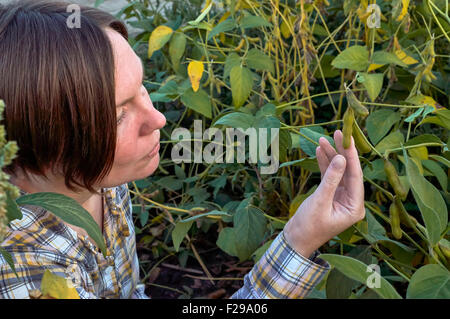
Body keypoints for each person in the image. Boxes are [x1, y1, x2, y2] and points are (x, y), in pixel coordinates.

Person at [0, 0, 365, 299]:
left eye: (142, 88)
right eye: (117, 117)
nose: (158, 119)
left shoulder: (99, 176)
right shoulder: (27, 276)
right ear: (44, 143)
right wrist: (300, 242)